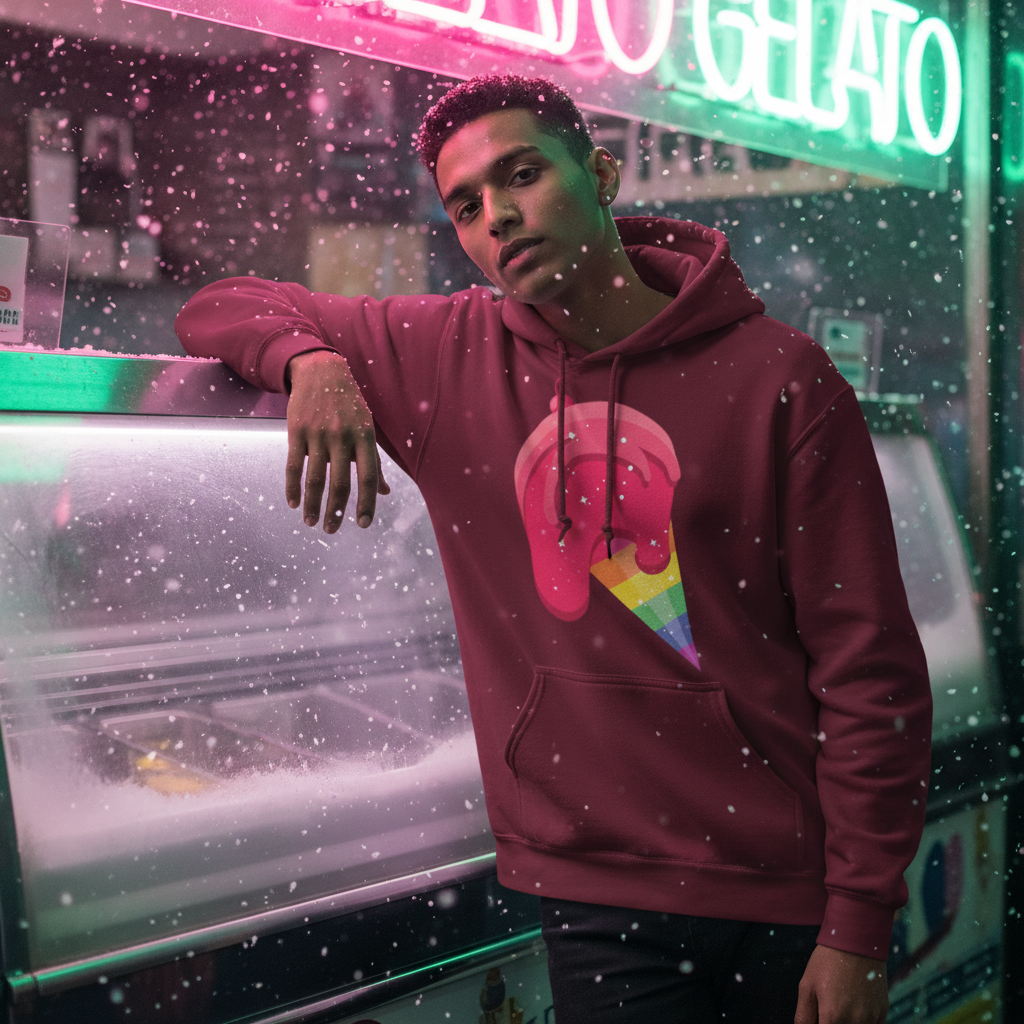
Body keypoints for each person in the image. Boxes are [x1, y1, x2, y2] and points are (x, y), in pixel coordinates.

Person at [175, 74, 932, 1023]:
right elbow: (220, 304)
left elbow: (869, 671)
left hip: (788, 889)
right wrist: (310, 361)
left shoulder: (782, 378)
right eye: (465, 205)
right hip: (598, 895)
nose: (498, 217)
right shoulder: (445, 355)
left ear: (602, 172)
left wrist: (858, 920)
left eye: (522, 175)